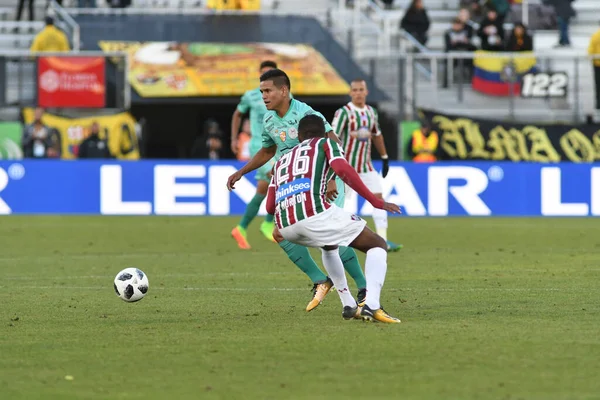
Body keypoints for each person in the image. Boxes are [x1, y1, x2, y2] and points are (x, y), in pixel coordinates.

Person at [227, 68, 368, 312]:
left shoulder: (306, 114)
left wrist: (333, 178)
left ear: (284, 90)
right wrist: (242, 171)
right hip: (294, 184)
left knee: (331, 235)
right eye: (261, 91)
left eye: (268, 91)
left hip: (324, 182)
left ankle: (364, 288)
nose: (264, 96)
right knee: (280, 233)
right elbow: (268, 151)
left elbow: (334, 143)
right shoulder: (269, 120)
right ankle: (320, 280)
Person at [266, 114, 402, 323]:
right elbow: (342, 169)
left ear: (299, 136)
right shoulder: (326, 144)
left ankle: (348, 304)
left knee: (329, 245)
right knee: (377, 244)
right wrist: (375, 201)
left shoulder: (281, 161)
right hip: (312, 215)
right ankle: (372, 305)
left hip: (284, 227)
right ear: (323, 132)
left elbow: (269, 206)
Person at [332, 79, 402, 252]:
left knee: (379, 200)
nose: (357, 93)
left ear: (366, 92)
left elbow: (377, 135)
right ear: (350, 93)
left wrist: (385, 157)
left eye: (361, 89)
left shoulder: (371, 112)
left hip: (366, 167)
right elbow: (332, 136)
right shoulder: (344, 113)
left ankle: (383, 240)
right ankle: (340, 239)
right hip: (347, 168)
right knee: (342, 205)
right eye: (354, 90)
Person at [230, 61, 278, 248]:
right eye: (264, 74)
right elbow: (237, 114)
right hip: (259, 146)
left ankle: (241, 228)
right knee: (276, 178)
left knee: (263, 189)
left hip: (278, 146)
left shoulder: (284, 95)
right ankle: (268, 223)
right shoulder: (251, 96)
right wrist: (234, 139)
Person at [589, 23, 600, 115]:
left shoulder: (595, 35)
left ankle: (598, 106)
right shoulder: (596, 35)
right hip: (597, 65)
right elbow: (590, 50)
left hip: (597, 65)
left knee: (598, 86)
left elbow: (590, 51)